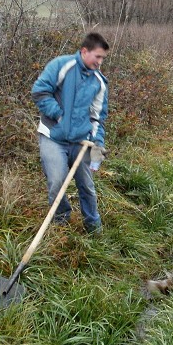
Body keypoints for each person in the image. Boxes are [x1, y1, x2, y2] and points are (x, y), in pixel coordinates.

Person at [31, 32, 110, 234]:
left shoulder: (99, 82)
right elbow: (40, 91)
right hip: (53, 136)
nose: (100, 62)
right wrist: (59, 116)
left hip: (81, 141)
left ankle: (93, 227)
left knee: (87, 186)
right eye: (97, 57)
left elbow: (97, 118)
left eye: (103, 58)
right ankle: (61, 223)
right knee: (57, 182)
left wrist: (97, 150)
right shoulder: (62, 65)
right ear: (84, 51)